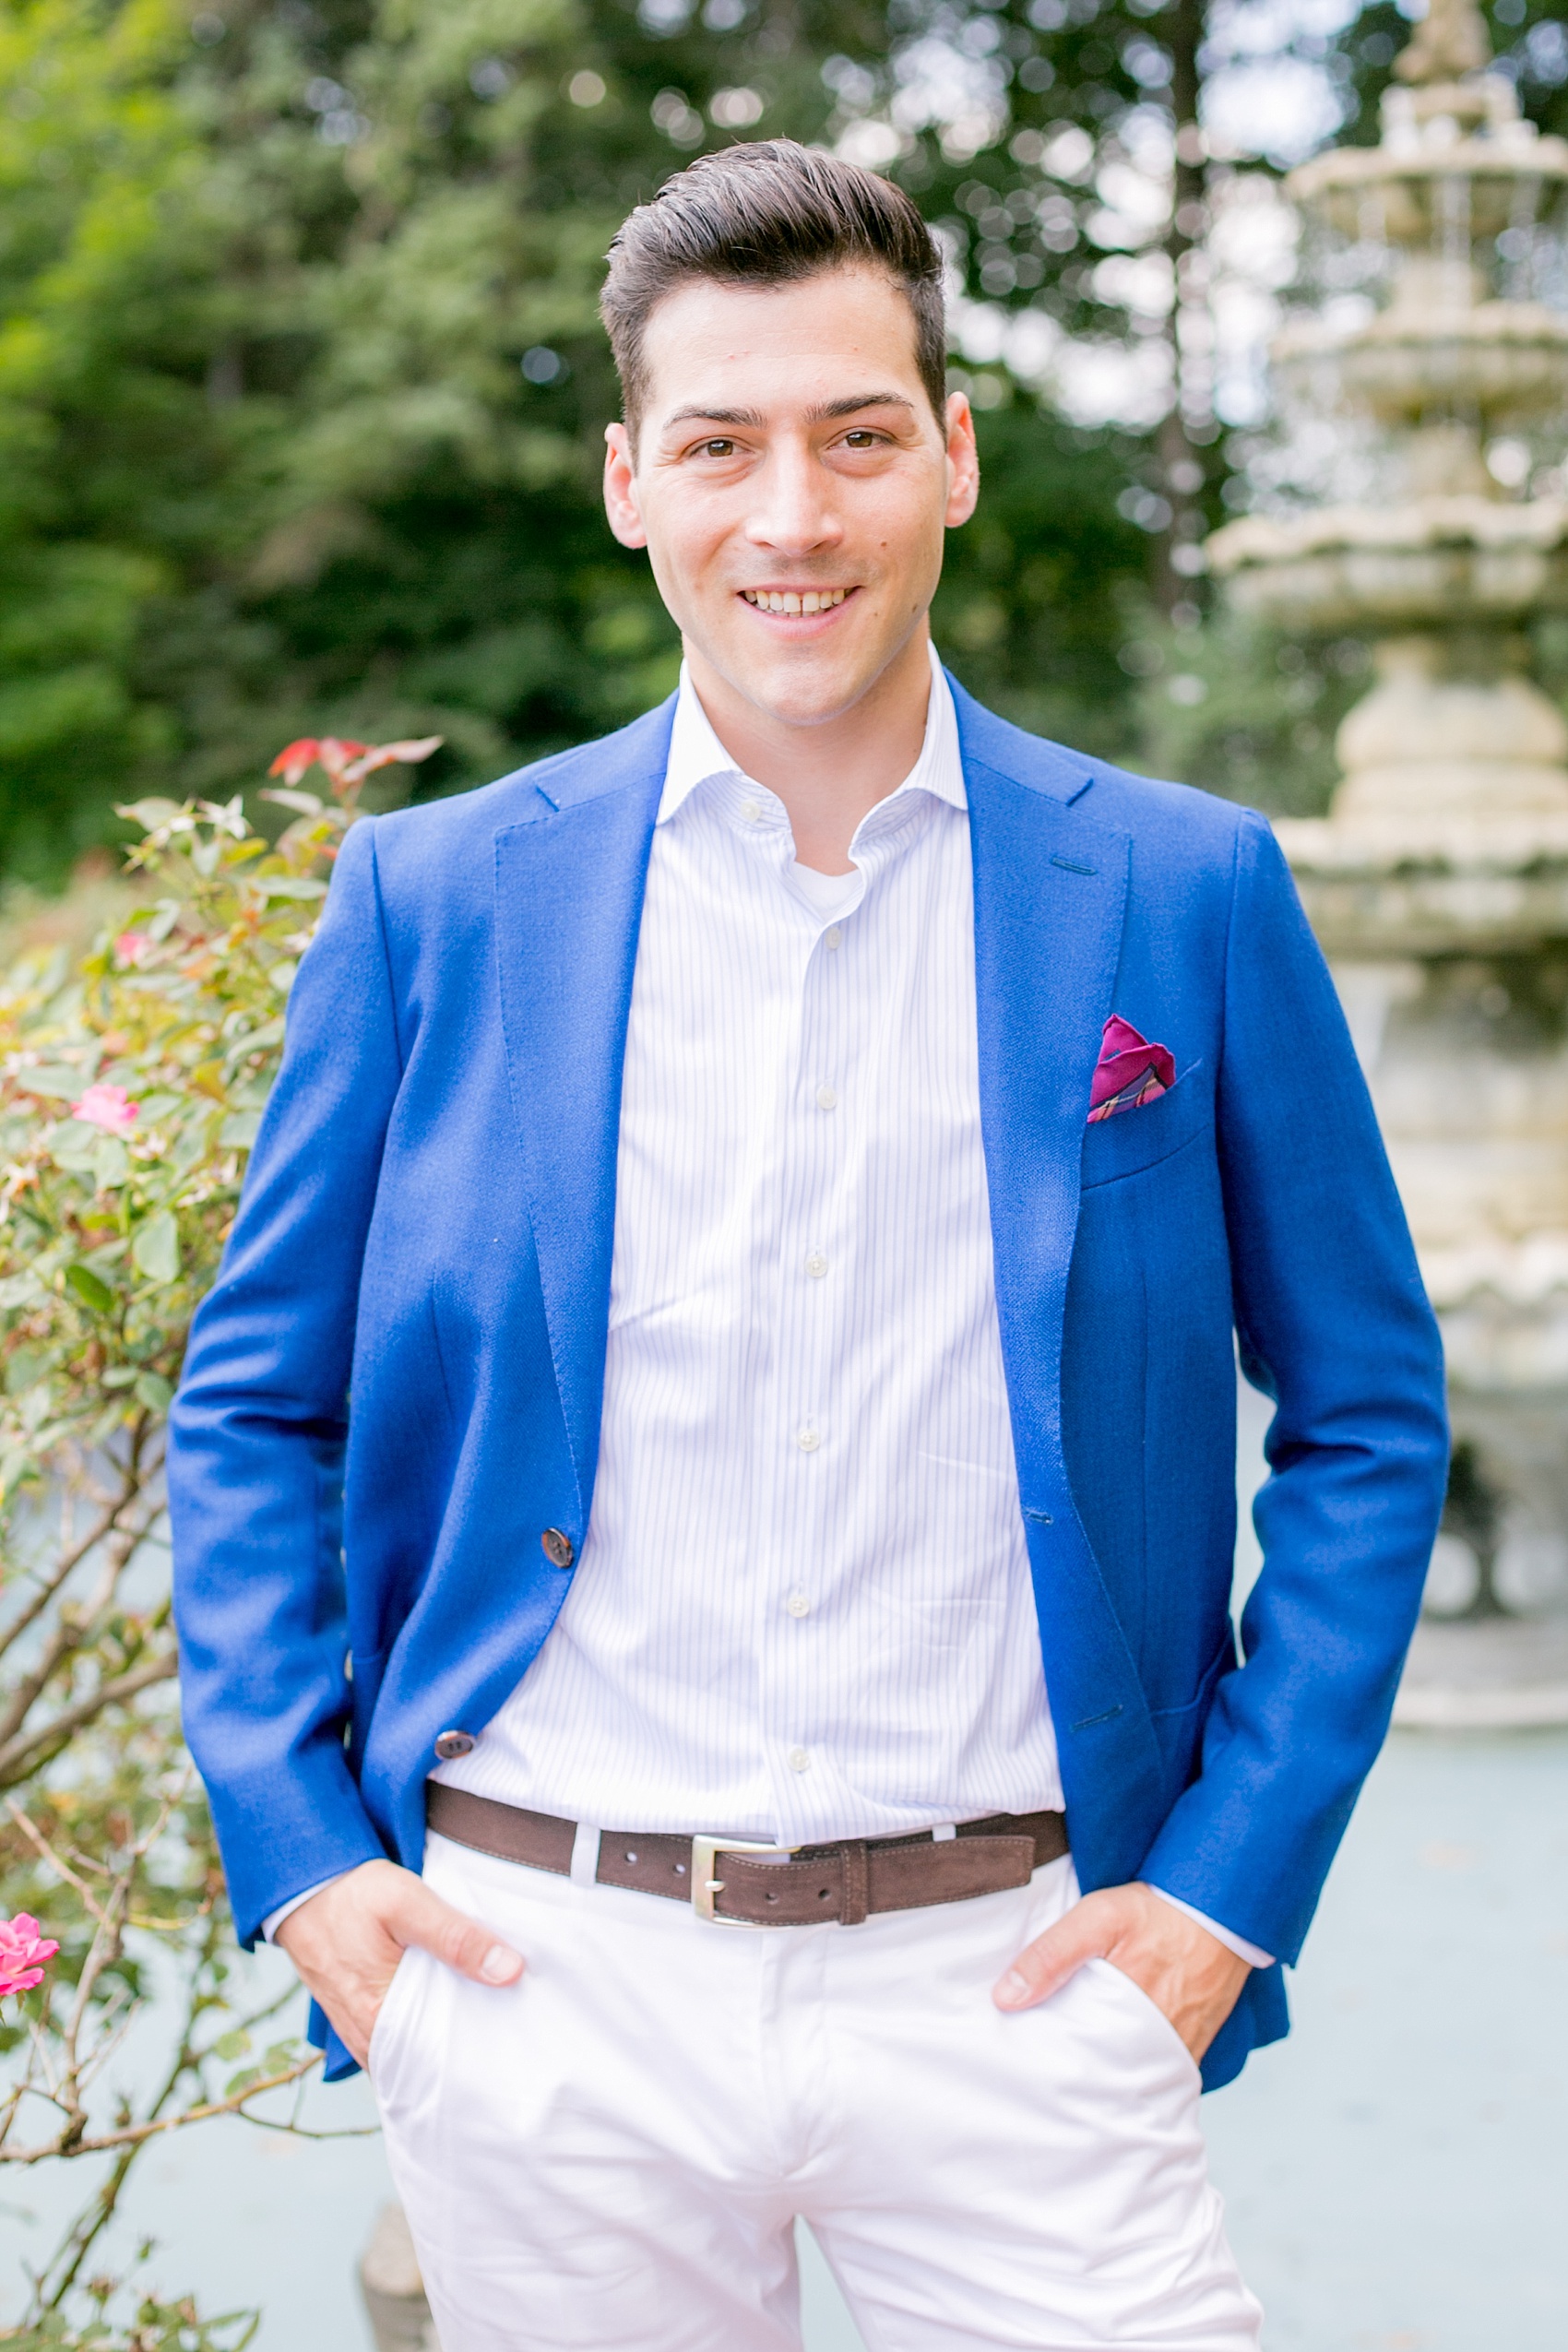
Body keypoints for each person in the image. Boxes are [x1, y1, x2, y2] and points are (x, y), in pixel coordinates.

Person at [170, 142, 1448, 2351]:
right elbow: (252, 1401)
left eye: (859, 435)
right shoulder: (438, 906)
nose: (795, 514)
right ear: (625, 483)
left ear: (949, 456)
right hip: (545, 1980)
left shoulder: (1182, 891)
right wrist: (300, 1854)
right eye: (720, 446)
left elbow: (1363, 1412)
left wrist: (1223, 1895)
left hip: (1030, 1975)